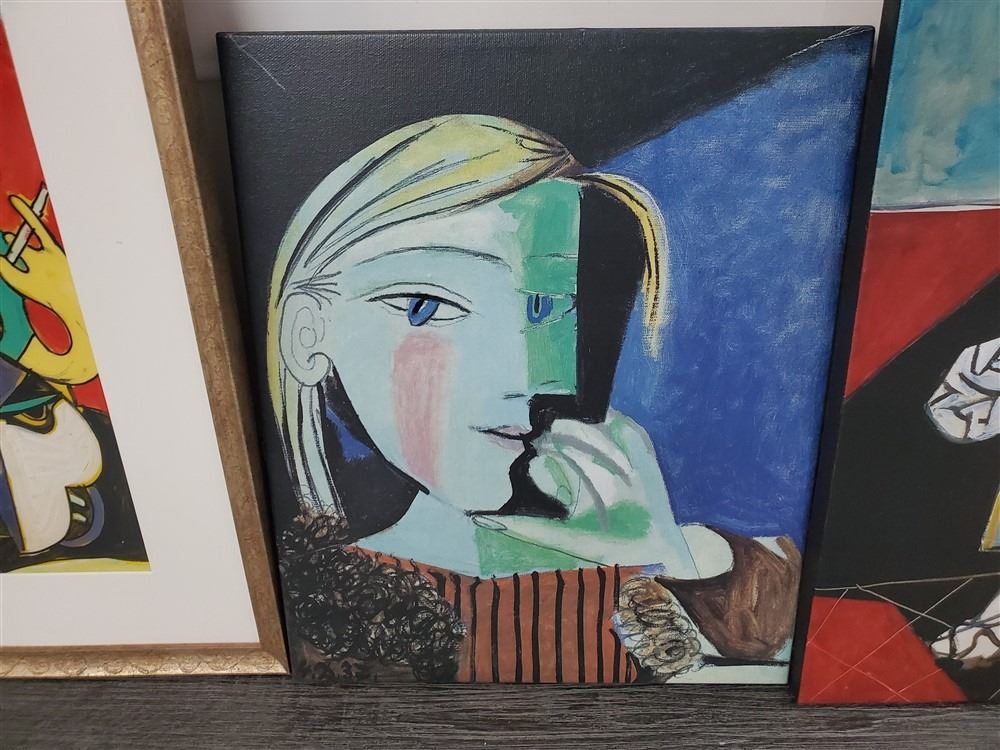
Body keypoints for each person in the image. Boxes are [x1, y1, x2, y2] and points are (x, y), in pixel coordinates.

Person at [269, 114, 798, 682]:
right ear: (307, 333)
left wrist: (664, 558)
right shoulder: (305, 607)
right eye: (428, 306)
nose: (529, 377)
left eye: (545, 307)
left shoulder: (729, 567)